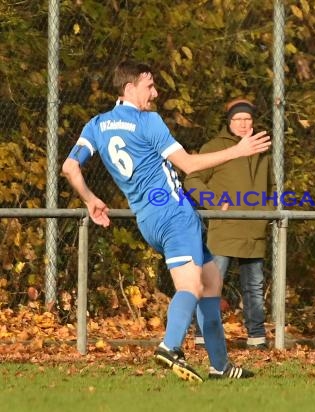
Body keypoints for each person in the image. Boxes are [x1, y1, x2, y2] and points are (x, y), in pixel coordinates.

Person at [61, 60, 271, 382]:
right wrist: (238, 151)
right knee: (190, 286)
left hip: (148, 219)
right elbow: (187, 164)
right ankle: (169, 347)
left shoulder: (97, 125)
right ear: (129, 89)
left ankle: (220, 365)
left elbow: (70, 168)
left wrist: (91, 200)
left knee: (211, 282)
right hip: (174, 214)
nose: (155, 93)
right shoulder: (149, 121)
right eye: (150, 86)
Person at [185, 98, 272, 349]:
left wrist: (267, 211)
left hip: (254, 229)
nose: (244, 124)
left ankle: (256, 337)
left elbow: (272, 184)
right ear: (229, 122)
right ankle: (203, 334)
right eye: (238, 119)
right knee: (213, 284)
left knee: (254, 287)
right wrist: (212, 201)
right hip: (223, 229)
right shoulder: (215, 147)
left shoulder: (261, 147)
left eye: (248, 119)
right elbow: (192, 179)